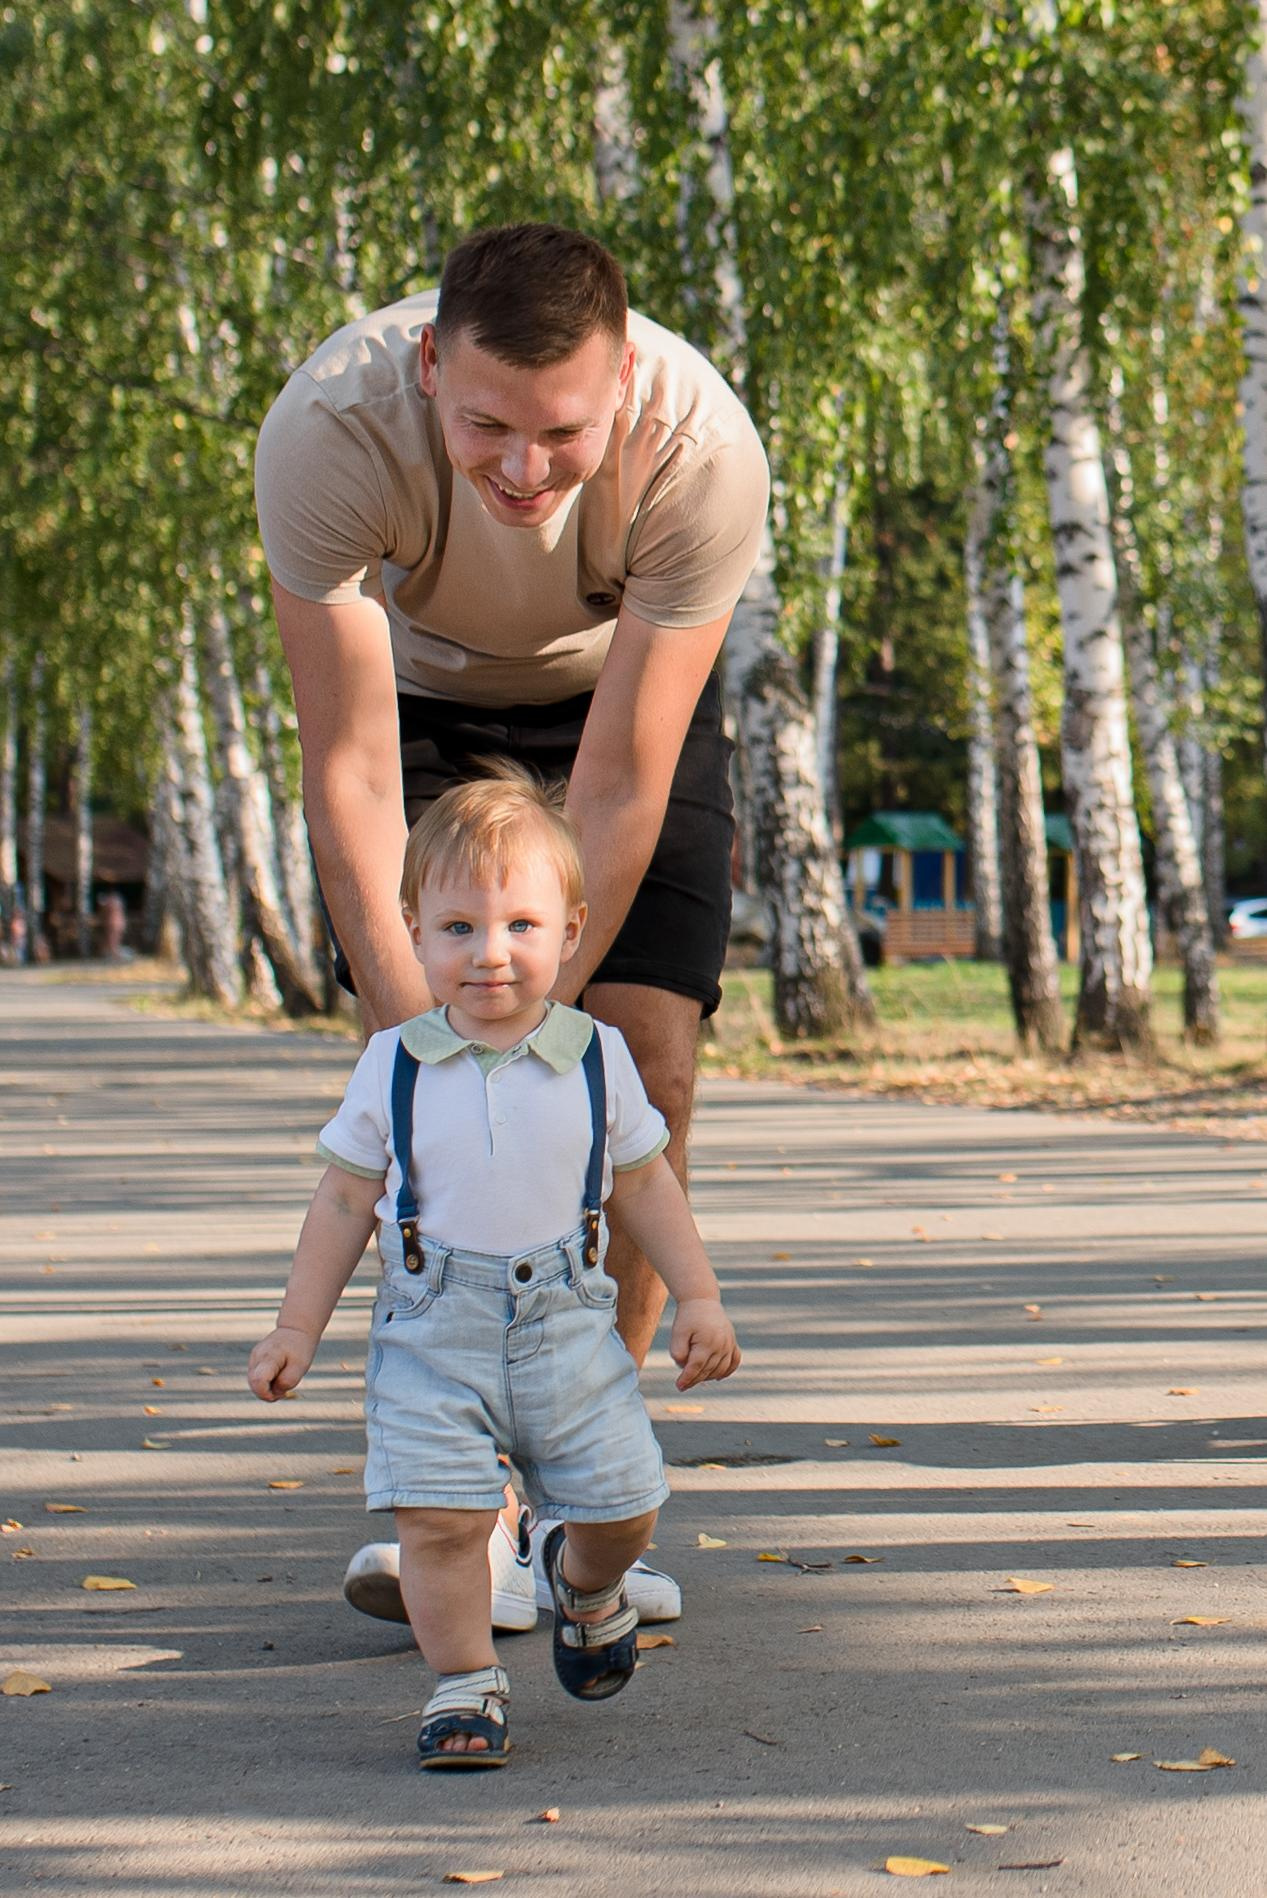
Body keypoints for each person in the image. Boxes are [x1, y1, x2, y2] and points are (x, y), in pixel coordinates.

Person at [254, 220, 768, 1627]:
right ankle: (463, 1512)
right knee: (437, 1099)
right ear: (429, 364)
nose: (525, 470)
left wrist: (544, 1034)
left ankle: (579, 1502)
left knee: (640, 1062)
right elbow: (353, 772)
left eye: (561, 431)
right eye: (486, 425)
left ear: (621, 384)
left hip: (616, 704)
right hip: (414, 708)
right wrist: (425, 1042)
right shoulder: (327, 432)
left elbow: (618, 783)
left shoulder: (702, 452)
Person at [248, 771, 740, 1767]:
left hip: (568, 1325)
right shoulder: (395, 1062)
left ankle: (585, 1583)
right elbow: (343, 1200)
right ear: (413, 932)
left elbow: (644, 1184)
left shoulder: (597, 1055)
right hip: (432, 1332)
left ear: (570, 931)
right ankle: (465, 1683)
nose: (490, 952)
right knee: (437, 1521)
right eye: (459, 927)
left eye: (521, 924)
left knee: (624, 1504)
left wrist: (698, 1293)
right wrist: (297, 1325)